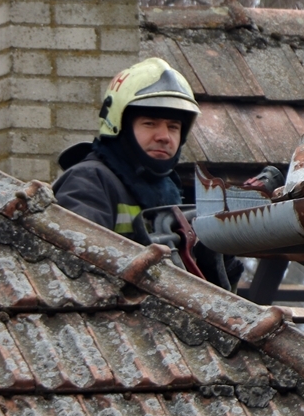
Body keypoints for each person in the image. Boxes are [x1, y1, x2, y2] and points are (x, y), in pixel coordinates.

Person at [53, 57, 242, 289]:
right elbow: (77, 274)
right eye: (150, 123)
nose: (164, 136)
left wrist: (219, 259)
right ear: (120, 126)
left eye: (173, 127)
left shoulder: (170, 190)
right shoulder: (88, 183)